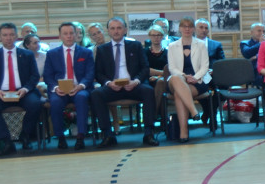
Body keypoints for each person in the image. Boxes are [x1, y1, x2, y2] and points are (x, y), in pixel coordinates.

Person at [90, 17, 159, 148]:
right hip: (112, 87)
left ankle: (149, 133)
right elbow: (98, 73)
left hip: (133, 85)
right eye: (112, 28)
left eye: (119, 28)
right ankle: (108, 135)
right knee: (96, 94)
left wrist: (136, 81)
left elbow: (145, 68)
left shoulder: (136, 45)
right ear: (108, 31)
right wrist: (109, 83)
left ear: (125, 30)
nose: (116, 31)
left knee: (149, 91)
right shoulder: (102, 49)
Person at [0, 22, 43, 156]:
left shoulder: (27, 54)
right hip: (0, 92)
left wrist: (25, 89)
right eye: (5, 35)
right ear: (0, 37)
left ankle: (25, 135)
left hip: (22, 92)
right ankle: (6, 141)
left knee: (35, 103)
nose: (8, 38)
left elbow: (34, 76)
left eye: (11, 35)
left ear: (16, 36)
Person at [43, 22, 93, 150]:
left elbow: (90, 74)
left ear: (76, 35)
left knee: (82, 98)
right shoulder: (52, 54)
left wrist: (81, 86)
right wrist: (55, 88)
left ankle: (81, 137)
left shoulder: (86, 53)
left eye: (71, 33)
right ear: (60, 36)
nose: (69, 36)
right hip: (60, 89)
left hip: (79, 88)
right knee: (55, 102)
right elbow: (48, 76)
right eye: (65, 34)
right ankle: (60, 137)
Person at [167, 17, 211, 143]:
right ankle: (193, 110)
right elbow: (172, 68)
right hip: (178, 79)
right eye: (184, 26)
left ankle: (183, 132)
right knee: (176, 78)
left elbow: (205, 67)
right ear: (179, 28)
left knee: (179, 95)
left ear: (193, 29)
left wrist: (195, 77)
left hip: (197, 81)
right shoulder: (172, 46)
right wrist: (184, 76)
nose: (187, 29)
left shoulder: (201, 45)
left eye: (189, 26)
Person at [145, 24, 170, 121]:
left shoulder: (168, 52)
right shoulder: (144, 52)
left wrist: (158, 76)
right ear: (149, 36)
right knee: (160, 83)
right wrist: (162, 73)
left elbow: (170, 69)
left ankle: (153, 114)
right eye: (153, 35)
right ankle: (164, 118)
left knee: (160, 82)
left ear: (162, 36)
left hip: (166, 80)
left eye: (158, 35)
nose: (156, 37)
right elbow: (146, 69)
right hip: (148, 80)